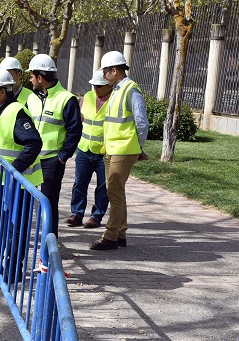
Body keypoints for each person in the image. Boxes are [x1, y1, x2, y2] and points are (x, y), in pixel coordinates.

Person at [0, 67, 43, 275]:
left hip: (20, 182)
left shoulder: (16, 113)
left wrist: (13, 170)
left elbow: (33, 143)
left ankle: (14, 269)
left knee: (16, 228)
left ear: (2, 92)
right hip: (1, 181)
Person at [90, 51, 148, 251]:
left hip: (124, 149)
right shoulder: (116, 90)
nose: (104, 76)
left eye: (106, 71)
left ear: (114, 71)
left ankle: (111, 236)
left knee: (113, 192)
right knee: (115, 191)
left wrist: (138, 147)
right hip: (113, 148)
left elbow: (141, 121)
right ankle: (120, 233)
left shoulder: (131, 90)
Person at [25, 54, 82, 237]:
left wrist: (63, 156)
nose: (30, 79)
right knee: (24, 202)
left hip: (52, 161)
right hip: (30, 159)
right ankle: (23, 241)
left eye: (32, 75)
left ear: (40, 77)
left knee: (48, 204)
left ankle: (50, 247)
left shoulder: (66, 99)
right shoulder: (31, 98)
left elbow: (74, 131)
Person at [65, 70, 112, 229]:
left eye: (99, 86)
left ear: (108, 85)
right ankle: (76, 214)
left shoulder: (114, 100)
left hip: (103, 153)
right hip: (84, 150)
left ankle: (96, 216)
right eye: (94, 86)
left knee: (103, 187)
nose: (96, 89)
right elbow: (79, 120)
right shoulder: (87, 97)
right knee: (79, 183)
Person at [0, 56, 33, 152]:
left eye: (8, 74)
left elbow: (32, 139)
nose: (3, 76)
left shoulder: (31, 97)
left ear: (19, 74)